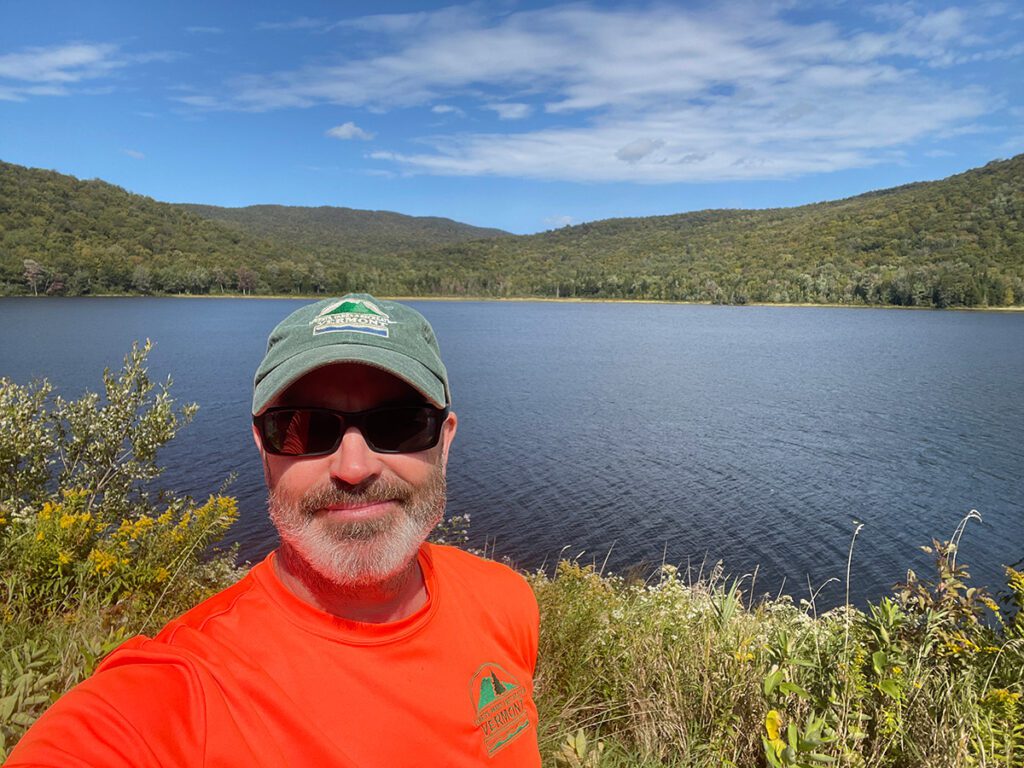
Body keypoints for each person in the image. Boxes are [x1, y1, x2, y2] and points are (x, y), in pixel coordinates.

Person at [7, 294, 541, 767]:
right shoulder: (182, 690)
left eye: (400, 424)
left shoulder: (505, 602)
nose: (353, 468)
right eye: (304, 429)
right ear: (264, 448)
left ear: (443, 441)